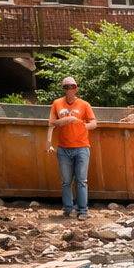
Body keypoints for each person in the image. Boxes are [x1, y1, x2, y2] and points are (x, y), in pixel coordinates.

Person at [47, 76, 97, 218]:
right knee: (66, 181)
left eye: (73, 86)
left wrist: (82, 125)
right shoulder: (57, 104)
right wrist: (66, 120)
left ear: (76, 88)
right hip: (63, 148)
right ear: (64, 89)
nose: (70, 89)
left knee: (81, 181)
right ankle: (68, 208)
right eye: (67, 87)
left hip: (82, 147)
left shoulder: (84, 105)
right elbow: (51, 123)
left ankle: (83, 210)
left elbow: (94, 123)